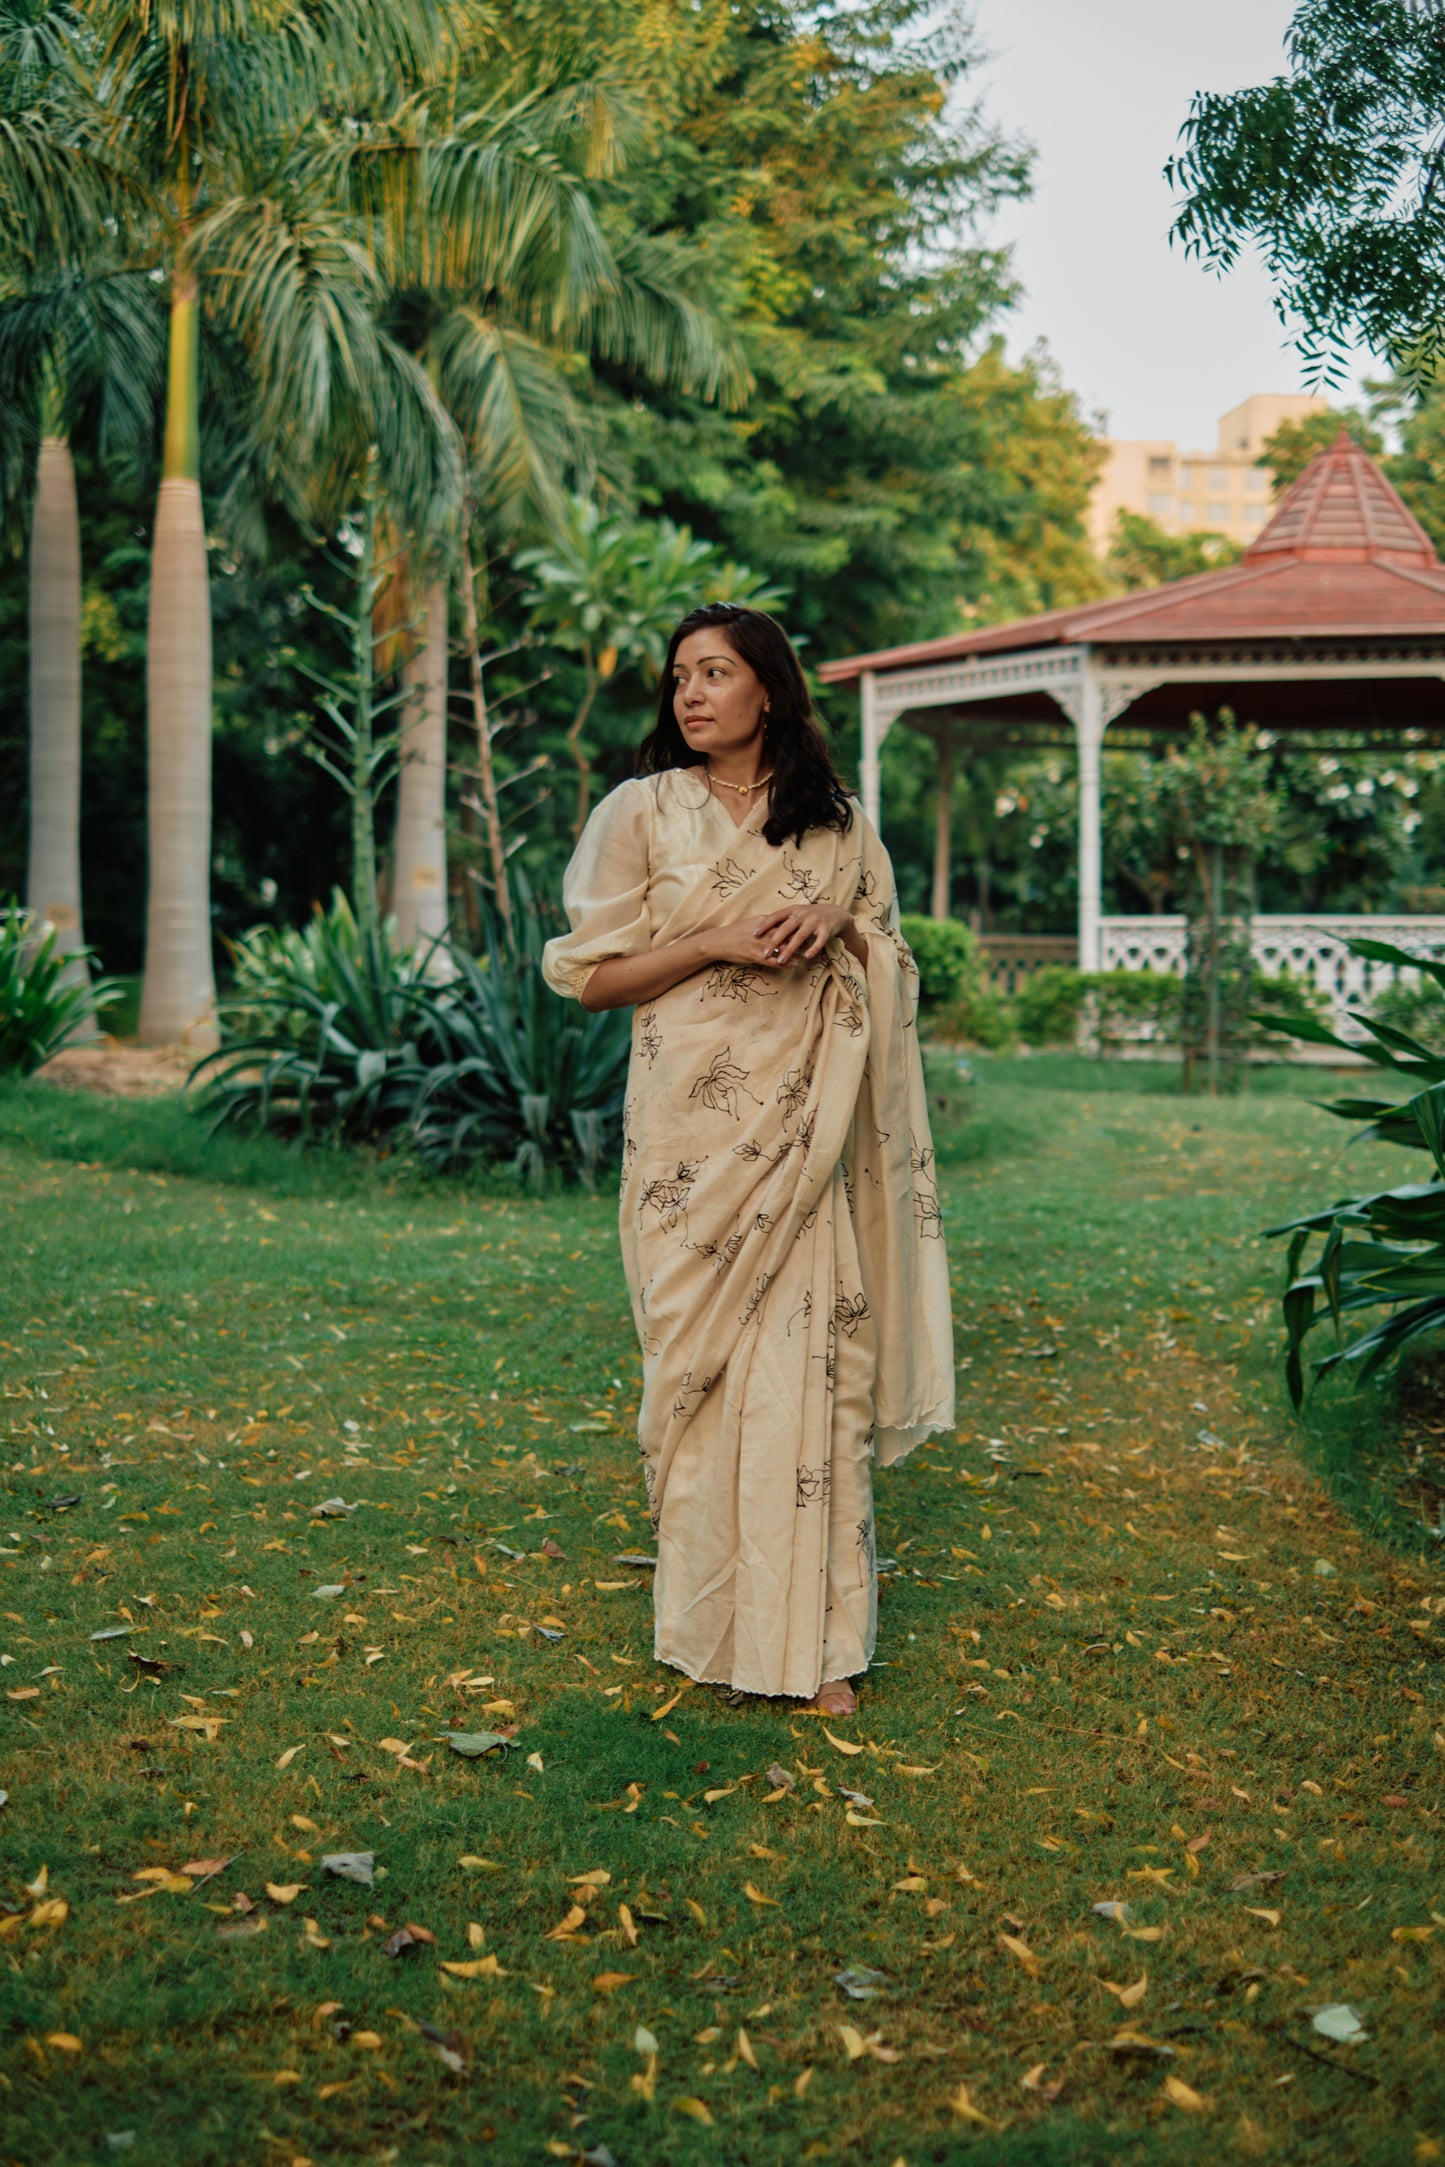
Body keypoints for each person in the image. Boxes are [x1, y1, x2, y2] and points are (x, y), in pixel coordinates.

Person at [541, 603, 954, 1715]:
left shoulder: (840, 828)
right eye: (678, 675)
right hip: (688, 1142)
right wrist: (714, 941)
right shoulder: (642, 811)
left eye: (713, 673)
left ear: (766, 688)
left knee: (821, 1378)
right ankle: (711, 1626)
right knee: (706, 1378)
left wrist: (845, 930)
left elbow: (894, 962)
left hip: (805, 1138)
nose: (689, 693)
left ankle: (821, 1647)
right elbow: (587, 974)